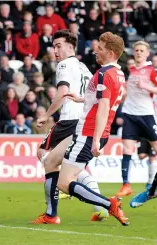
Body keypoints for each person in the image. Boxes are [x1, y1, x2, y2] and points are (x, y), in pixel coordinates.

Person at [31, 30, 107, 225]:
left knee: (43, 154)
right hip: (83, 121)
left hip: (69, 120)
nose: (55, 51)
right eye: (53, 46)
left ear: (70, 47)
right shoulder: (83, 68)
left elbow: (63, 92)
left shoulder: (64, 65)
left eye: (59, 46)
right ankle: (99, 206)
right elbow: (96, 97)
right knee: (67, 164)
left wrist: (47, 115)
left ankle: (52, 212)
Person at [58, 32, 128, 226]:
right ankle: (105, 205)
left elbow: (104, 106)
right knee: (65, 173)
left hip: (88, 133)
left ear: (112, 53)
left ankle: (108, 204)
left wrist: (96, 139)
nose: (95, 50)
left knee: (64, 183)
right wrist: (82, 98)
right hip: (95, 132)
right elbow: (106, 100)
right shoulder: (118, 73)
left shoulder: (105, 74)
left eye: (101, 49)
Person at [117, 41, 157, 197]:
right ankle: (126, 184)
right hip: (129, 114)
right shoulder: (132, 70)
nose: (139, 52)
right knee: (127, 149)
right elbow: (127, 93)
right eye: (136, 50)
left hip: (146, 115)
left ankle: (152, 186)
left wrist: (147, 86)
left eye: (142, 50)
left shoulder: (151, 71)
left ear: (147, 53)